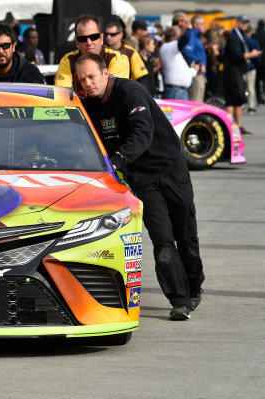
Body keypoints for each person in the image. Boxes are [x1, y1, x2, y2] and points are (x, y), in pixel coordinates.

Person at [75, 53, 205, 320]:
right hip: (142, 179)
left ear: (106, 73)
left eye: (92, 76)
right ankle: (179, 301)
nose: (87, 83)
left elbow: (141, 133)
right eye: (82, 79)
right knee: (162, 239)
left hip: (171, 167)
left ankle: (194, 286)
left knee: (186, 235)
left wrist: (116, 160)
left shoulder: (131, 92)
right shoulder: (88, 106)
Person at [55, 15, 129, 96]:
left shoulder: (117, 58)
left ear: (101, 38)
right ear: (76, 42)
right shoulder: (68, 61)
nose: (89, 43)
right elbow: (62, 95)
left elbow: (111, 94)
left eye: (94, 37)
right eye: (83, 39)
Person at [223, 15, 263, 135]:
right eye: (243, 23)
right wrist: (251, 55)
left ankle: (235, 126)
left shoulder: (238, 35)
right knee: (234, 100)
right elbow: (236, 55)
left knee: (237, 100)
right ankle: (232, 127)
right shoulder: (235, 36)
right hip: (233, 72)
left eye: (246, 23)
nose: (245, 25)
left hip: (236, 72)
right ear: (238, 23)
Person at [160, 26, 200, 100]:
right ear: (172, 38)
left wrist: (194, 69)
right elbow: (185, 39)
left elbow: (181, 73)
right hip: (175, 92)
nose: (180, 39)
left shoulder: (174, 52)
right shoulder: (168, 47)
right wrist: (189, 27)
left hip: (179, 91)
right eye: (179, 37)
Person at [104, 20, 149, 84]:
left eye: (112, 34)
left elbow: (141, 77)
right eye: (107, 34)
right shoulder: (103, 50)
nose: (108, 37)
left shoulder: (131, 52)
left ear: (121, 35)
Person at [180, 15, 208, 103]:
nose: (205, 26)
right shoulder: (192, 35)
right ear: (195, 25)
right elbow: (187, 52)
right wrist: (200, 65)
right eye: (202, 24)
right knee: (196, 102)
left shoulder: (196, 36)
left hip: (198, 73)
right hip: (196, 73)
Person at [253, 19, 265, 106]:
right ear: (264, 26)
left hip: (256, 61)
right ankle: (264, 91)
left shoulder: (254, 36)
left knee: (256, 82)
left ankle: (259, 98)